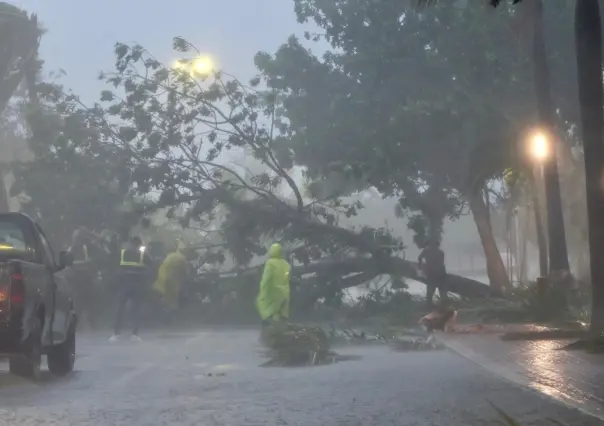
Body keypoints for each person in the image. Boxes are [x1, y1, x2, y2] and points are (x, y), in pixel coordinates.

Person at [110, 235, 152, 342]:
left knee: (119, 308)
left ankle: (116, 334)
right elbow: (151, 264)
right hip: (137, 284)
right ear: (139, 244)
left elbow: (114, 265)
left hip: (124, 284)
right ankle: (135, 334)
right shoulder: (142, 253)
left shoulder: (123, 252)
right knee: (136, 310)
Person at [152, 241, 189, 323]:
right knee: (173, 303)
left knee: (163, 301)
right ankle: (172, 318)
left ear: (166, 251)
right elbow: (185, 271)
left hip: (162, 283)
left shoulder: (166, 259)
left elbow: (162, 272)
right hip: (175, 283)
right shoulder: (181, 257)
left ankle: (164, 319)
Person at [255, 243, 291, 327]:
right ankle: (283, 330)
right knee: (282, 314)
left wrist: (263, 292)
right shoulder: (287, 264)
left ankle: (270, 330)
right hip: (285, 293)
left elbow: (265, 280)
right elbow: (287, 278)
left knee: (267, 309)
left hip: (273, 293)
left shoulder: (270, 263)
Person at [417, 239, 448, 309]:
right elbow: (441, 264)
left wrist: (420, 266)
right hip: (438, 273)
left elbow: (419, 258)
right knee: (438, 289)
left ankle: (432, 305)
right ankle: (439, 305)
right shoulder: (440, 252)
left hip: (433, 273)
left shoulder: (426, 252)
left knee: (432, 289)